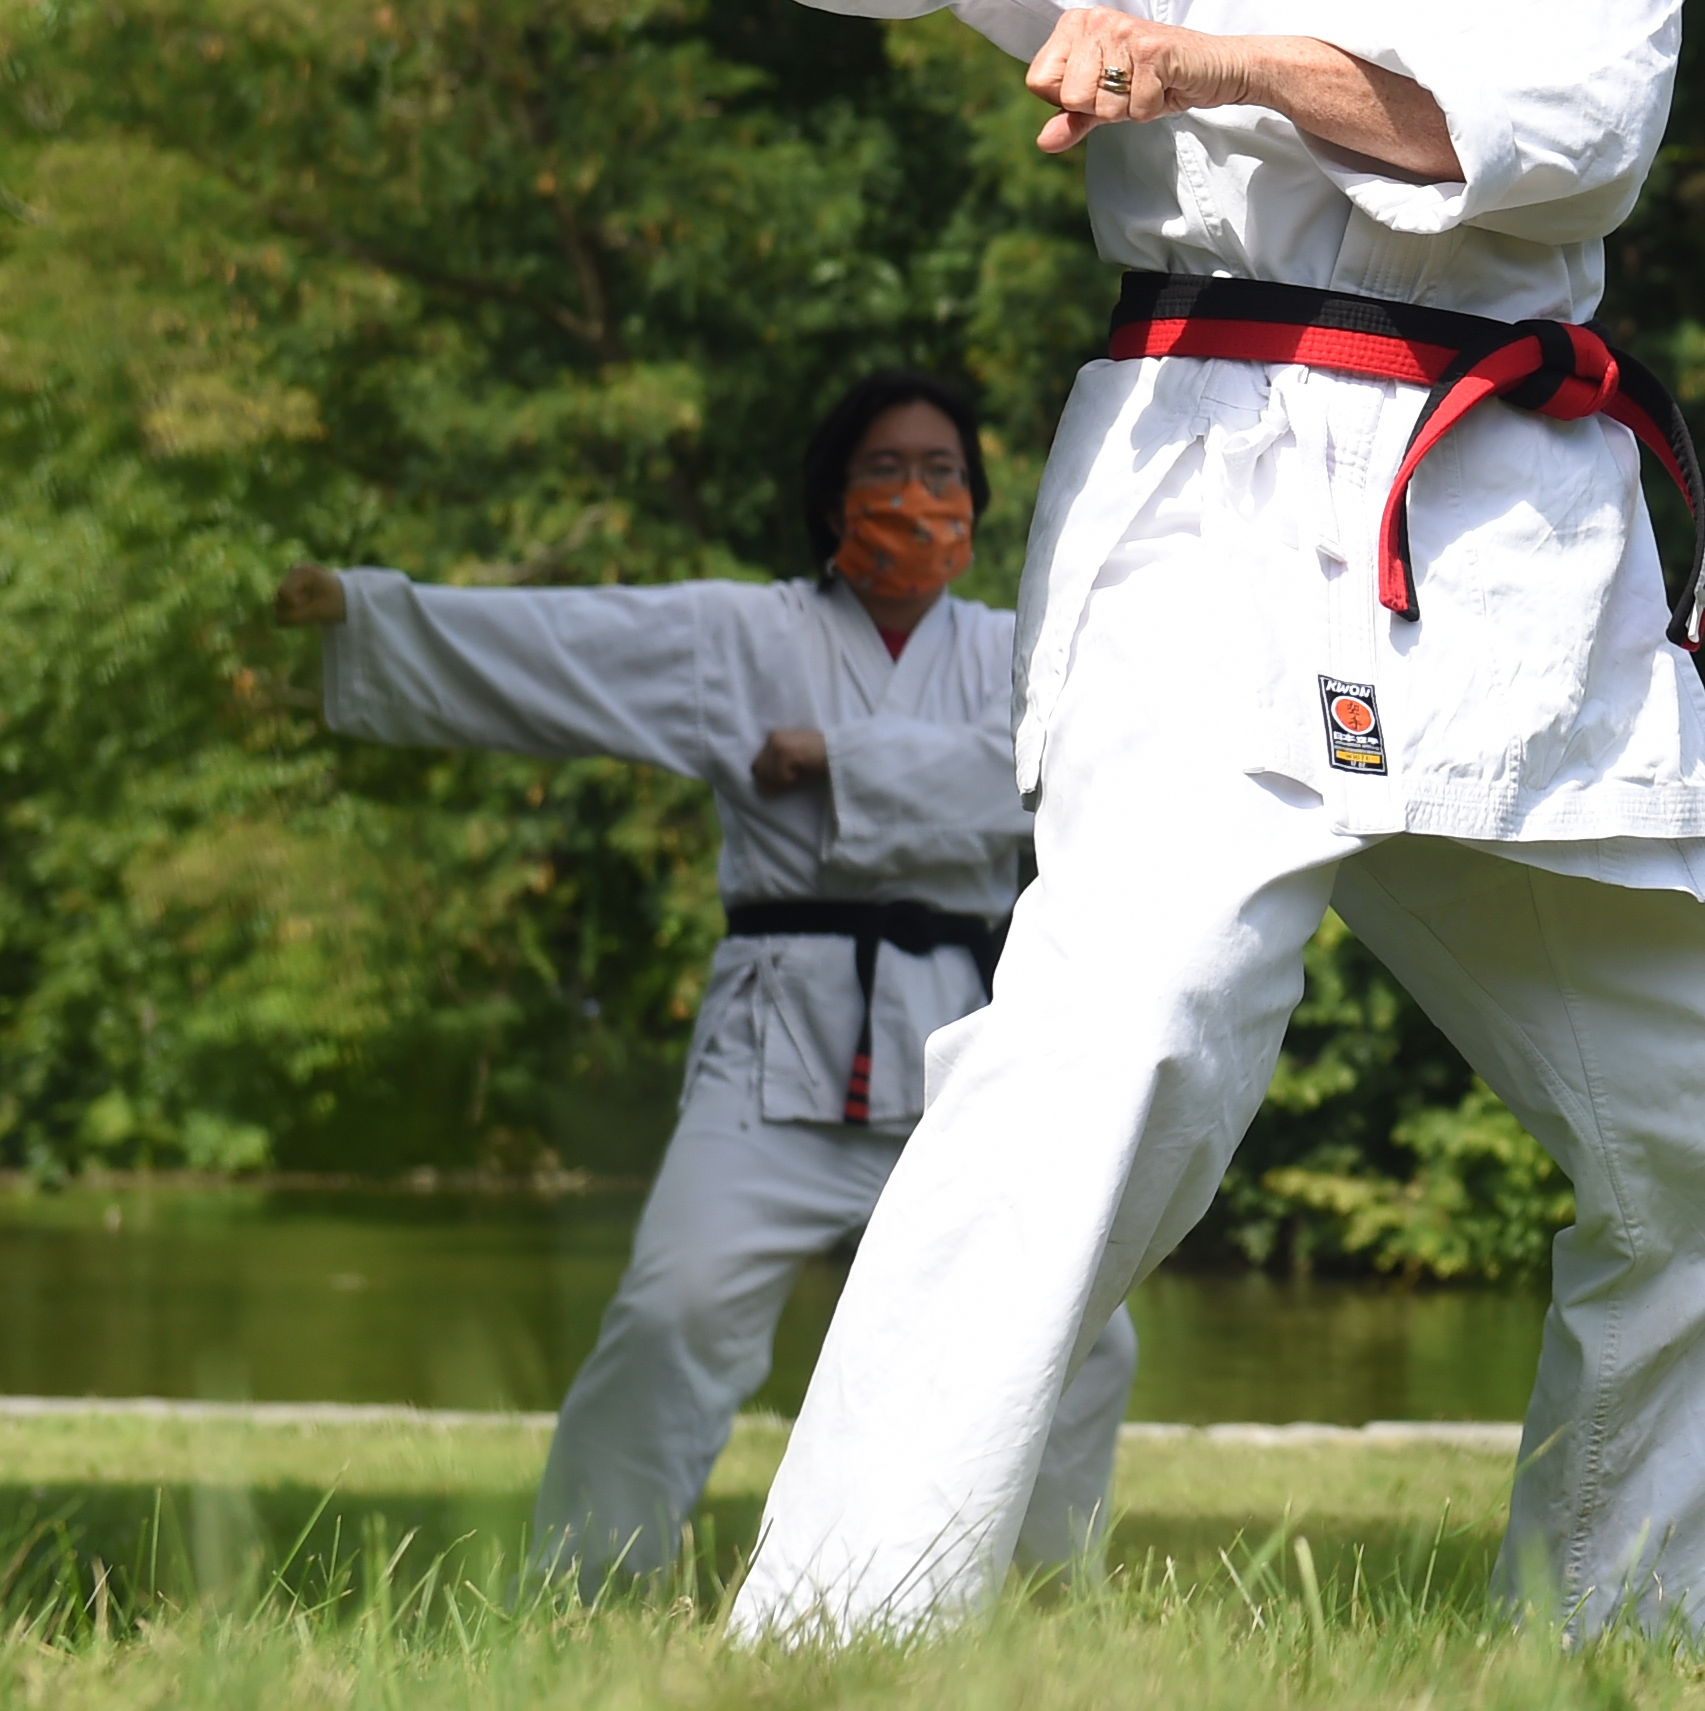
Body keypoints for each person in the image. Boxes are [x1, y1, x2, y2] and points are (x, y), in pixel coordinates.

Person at [442, 0, 1705, 1645]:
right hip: (1211, 529)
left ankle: (1638, 1659)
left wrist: (1201, 59)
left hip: (1515, 556)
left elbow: (1548, 139)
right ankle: (837, 1639)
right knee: (1106, 1065)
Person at [274, 369, 1141, 1592]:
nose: (914, 495)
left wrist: (838, 760)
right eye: (883, 471)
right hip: (775, 1040)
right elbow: (564, 644)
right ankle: (585, 1587)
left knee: (1081, 1336)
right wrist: (369, 614)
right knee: (674, 1311)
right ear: (831, 499)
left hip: (959, 1040)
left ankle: (1046, 1594)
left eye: (941, 473)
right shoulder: (747, 639)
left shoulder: (1019, 653)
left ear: (980, 503)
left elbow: (1067, 768)